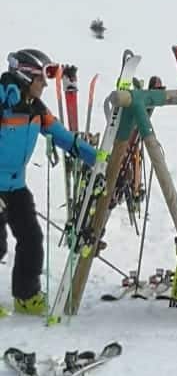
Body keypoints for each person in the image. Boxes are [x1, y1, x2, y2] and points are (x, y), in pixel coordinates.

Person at [1, 49, 102, 317]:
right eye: (41, 79)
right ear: (26, 77)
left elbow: (64, 138)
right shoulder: (3, 103)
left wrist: (100, 158)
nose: (45, 85)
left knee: (32, 239)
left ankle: (26, 296)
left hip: (16, 186)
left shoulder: (36, 109)